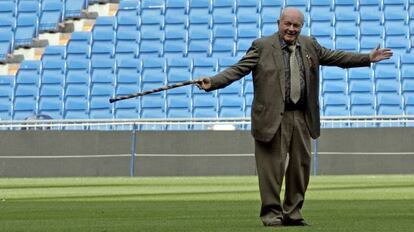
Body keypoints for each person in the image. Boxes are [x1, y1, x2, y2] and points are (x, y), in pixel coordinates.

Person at [196, 7, 393, 227]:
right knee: (271, 170)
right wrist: (212, 82)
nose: (291, 29)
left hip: (301, 117)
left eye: (296, 25)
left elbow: (337, 57)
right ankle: (272, 215)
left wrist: (367, 57)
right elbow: (238, 69)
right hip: (272, 118)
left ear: (301, 27)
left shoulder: (310, 45)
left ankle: (293, 213)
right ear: (278, 22)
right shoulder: (262, 46)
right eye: (287, 24)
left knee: (301, 168)